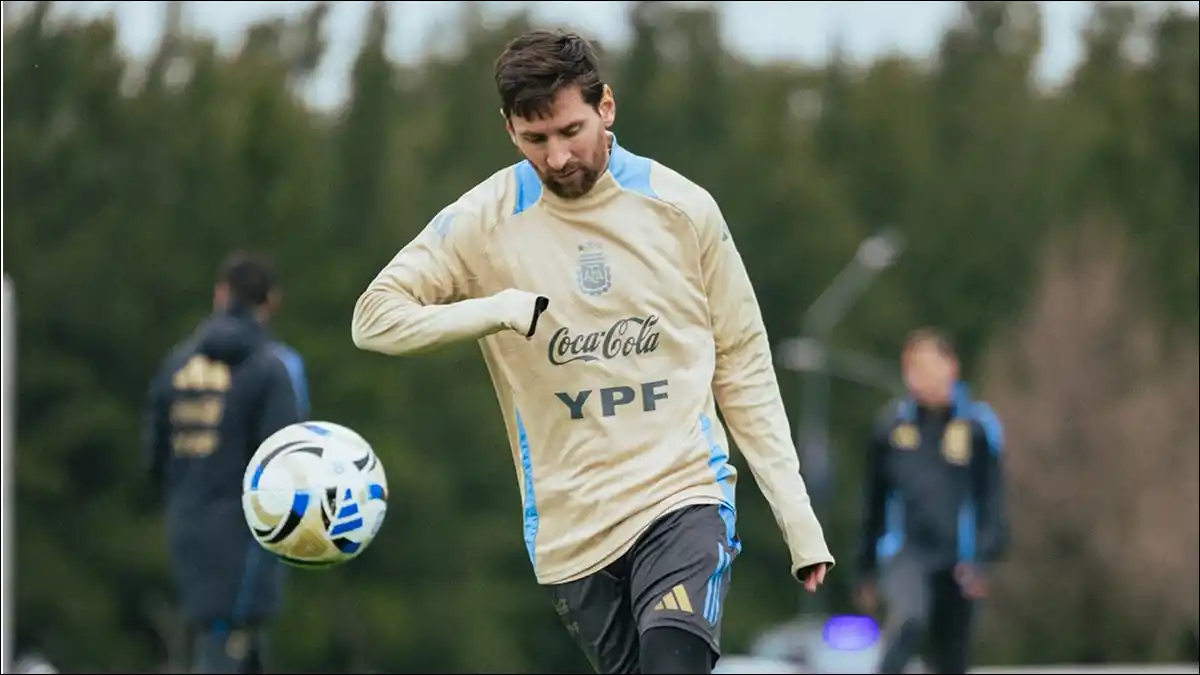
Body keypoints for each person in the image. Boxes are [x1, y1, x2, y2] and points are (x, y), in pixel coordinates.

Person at [351, 28, 833, 675]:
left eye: (571, 130)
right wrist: (495, 310)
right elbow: (373, 317)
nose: (557, 157)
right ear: (509, 131)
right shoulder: (484, 221)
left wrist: (797, 519)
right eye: (536, 140)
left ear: (606, 106)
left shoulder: (683, 210)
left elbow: (744, 365)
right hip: (569, 524)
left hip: (682, 492)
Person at [143, 252, 309, 674]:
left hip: (187, 525)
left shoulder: (176, 363)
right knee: (230, 645)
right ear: (271, 301)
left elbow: (153, 458)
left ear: (220, 294)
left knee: (220, 640)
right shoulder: (274, 367)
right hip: (248, 533)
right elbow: (288, 456)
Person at [854, 327, 1007, 674]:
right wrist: (864, 569)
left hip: (960, 559)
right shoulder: (891, 428)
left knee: (951, 658)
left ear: (951, 366)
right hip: (906, 552)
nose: (919, 376)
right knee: (909, 618)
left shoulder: (978, 427)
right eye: (911, 367)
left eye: (927, 365)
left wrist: (983, 558)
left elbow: (992, 498)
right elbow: (873, 502)